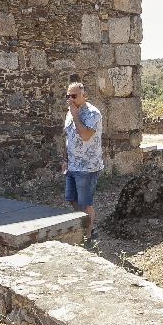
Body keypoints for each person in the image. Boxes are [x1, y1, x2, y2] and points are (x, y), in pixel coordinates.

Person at [61, 82, 103, 240]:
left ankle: (89, 234)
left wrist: (76, 116)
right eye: (68, 96)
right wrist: (65, 159)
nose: (70, 99)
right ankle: (85, 225)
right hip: (72, 165)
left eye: (74, 96)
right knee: (72, 199)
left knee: (86, 203)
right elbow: (68, 137)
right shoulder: (70, 112)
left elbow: (85, 135)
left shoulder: (93, 114)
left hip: (88, 167)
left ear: (84, 96)